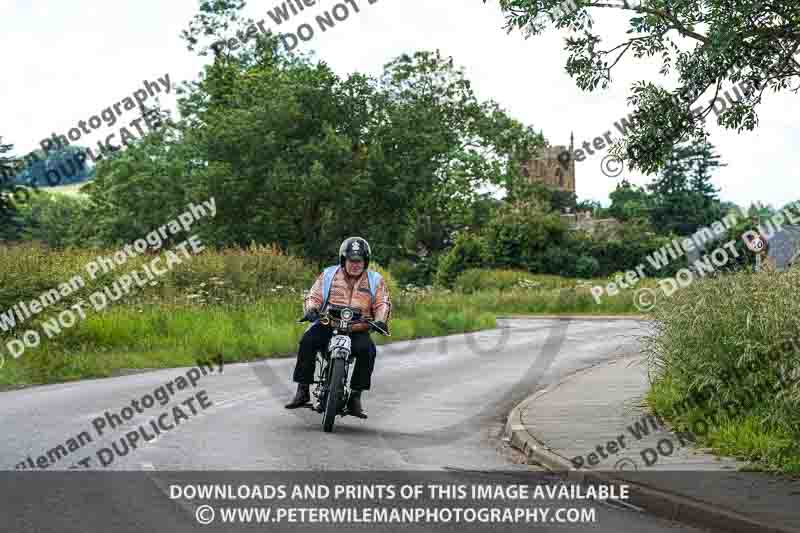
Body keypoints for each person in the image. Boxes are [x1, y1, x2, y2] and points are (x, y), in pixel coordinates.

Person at [284, 237, 391, 418]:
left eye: (360, 261)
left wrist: (380, 320)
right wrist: (311, 309)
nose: (355, 265)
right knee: (308, 341)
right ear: (343, 259)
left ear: (366, 262)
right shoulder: (329, 274)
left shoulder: (375, 280)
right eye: (351, 260)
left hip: (358, 328)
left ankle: (355, 397)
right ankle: (302, 390)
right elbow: (314, 295)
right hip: (328, 324)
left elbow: (382, 303)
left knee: (368, 351)